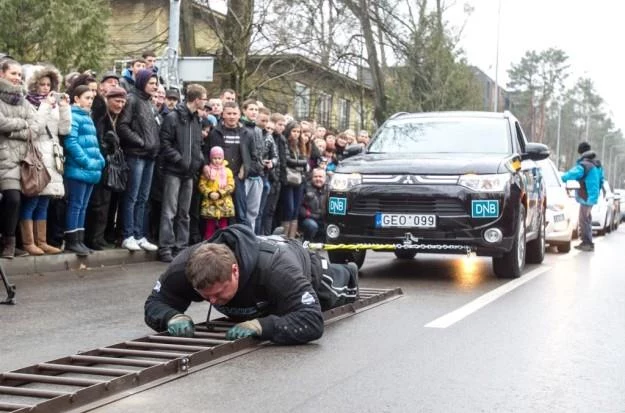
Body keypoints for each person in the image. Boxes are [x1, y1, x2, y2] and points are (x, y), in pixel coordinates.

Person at [144, 224, 359, 345]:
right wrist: (171, 316)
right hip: (261, 283)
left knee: (334, 295)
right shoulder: (184, 267)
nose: (211, 301)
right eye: (205, 296)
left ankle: (347, 272)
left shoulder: (277, 269)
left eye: (218, 294)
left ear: (234, 271)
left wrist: (262, 326)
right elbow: (155, 302)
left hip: (305, 267)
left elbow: (312, 321)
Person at [22, 66, 70, 255]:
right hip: (38, 154)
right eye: (41, 84)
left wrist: (65, 108)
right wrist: (45, 106)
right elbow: (36, 128)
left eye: (48, 84)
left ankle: (41, 241)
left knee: (45, 201)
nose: (45, 88)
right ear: (34, 85)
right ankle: (28, 242)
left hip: (54, 153)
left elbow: (64, 130)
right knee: (33, 200)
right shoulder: (30, 103)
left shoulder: (54, 104)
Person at [0, 58, 44, 258]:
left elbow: (37, 128)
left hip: (23, 161)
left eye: (19, 74)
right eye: (13, 74)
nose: (17, 78)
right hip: (4, 159)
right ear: (2, 74)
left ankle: (9, 242)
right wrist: (23, 125)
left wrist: (15, 129)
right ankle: (7, 242)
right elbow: (1, 124)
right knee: (12, 199)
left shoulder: (24, 101)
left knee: (18, 201)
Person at [157, 84, 206, 262]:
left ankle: (181, 246)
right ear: (197, 99)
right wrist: (180, 160)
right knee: (170, 211)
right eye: (204, 98)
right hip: (174, 171)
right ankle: (166, 247)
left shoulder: (196, 120)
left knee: (184, 213)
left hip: (189, 172)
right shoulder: (173, 118)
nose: (205, 102)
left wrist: (199, 162)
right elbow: (165, 144)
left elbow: (197, 145)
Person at [117, 69, 160, 252]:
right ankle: (128, 235)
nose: (155, 86)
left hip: (150, 156)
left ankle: (139, 234)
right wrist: (141, 142)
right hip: (136, 155)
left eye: (156, 83)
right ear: (142, 82)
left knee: (143, 198)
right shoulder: (132, 99)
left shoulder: (149, 103)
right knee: (132, 197)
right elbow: (123, 126)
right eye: (151, 83)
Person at [64, 85, 105, 256]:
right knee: (76, 205)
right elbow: (71, 142)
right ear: (76, 99)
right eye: (87, 98)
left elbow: (94, 144)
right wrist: (86, 161)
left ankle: (79, 240)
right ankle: (72, 240)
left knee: (83, 206)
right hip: (78, 169)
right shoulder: (73, 116)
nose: (90, 101)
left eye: (91, 98)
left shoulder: (87, 117)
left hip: (90, 170)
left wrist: (100, 161)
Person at [84, 87, 128, 250]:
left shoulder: (118, 117)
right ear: (108, 100)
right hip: (100, 163)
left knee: (107, 203)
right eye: (117, 101)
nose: (120, 105)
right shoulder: (101, 117)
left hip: (111, 165)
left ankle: (100, 236)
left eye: (123, 102)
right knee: (98, 203)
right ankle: (93, 237)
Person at [561, 141, 604, 252]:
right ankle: (587, 242)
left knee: (583, 220)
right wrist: (595, 194)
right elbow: (601, 180)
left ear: (581, 152)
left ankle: (587, 243)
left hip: (587, 197)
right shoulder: (596, 164)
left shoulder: (585, 165)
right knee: (587, 219)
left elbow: (572, 174)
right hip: (592, 196)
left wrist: (563, 177)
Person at [199, 146, 235, 240]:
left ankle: (223, 244)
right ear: (211, 158)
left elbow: (231, 186)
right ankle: (208, 244)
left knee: (223, 227)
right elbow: (202, 185)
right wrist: (210, 193)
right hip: (210, 204)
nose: (217, 160)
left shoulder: (228, 171)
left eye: (219, 158)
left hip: (224, 204)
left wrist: (220, 193)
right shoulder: (208, 171)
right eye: (214, 158)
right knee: (209, 227)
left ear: (223, 158)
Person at [299, 168, 327, 241]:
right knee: (311, 226)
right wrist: (308, 215)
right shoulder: (305, 188)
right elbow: (300, 206)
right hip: (309, 219)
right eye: (315, 176)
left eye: (320, 177)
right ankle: (306, 243)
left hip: (324, 219)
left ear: (325, 178)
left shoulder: (329, 190)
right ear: (312, 177)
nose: (318, 179)